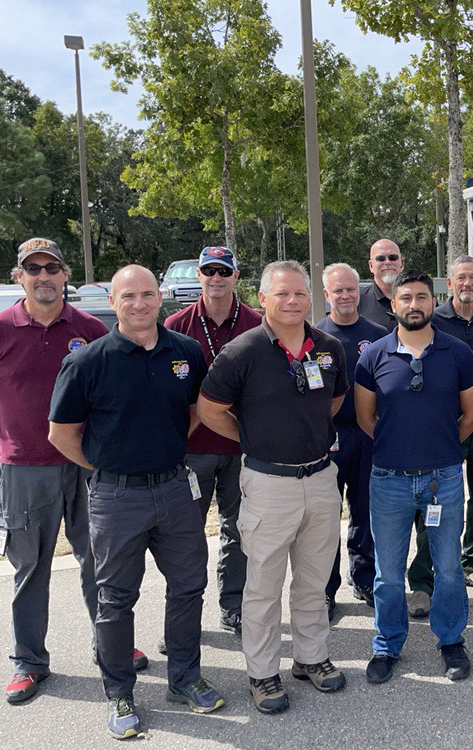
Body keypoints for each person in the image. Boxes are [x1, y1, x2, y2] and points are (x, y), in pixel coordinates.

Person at [48, 265, 223, 740]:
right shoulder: (88, 362)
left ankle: (184, 679)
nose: (140, 304)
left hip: (174, 490)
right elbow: (60, 435)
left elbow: (193, 412)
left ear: (161, 297)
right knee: (116, 598)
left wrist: (161, 451)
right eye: (130, 296)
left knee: (188, 586)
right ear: (115, 301)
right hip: (114, 495)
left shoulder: (185, 352)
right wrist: (109, 465)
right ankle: (120, 690)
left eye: (148, 294)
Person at [0, 238, 147, 705]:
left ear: (65, 273)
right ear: (20, 277)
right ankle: (29, 661)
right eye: (33, 269)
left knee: (99, 561)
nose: (43, 276)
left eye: (51, 267)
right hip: (26, 471)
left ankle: (109, 646)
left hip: (88, 468)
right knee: (29, 568)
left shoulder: (92, 328)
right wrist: (13, 437)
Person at [198, 260, 348, 715]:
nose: (292, 301)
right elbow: (209, 409)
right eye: (282, 294)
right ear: (262, 298)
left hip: (321, 479)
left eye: (300, 293)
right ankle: (263, 672)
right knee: (263, 584)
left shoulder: (329, 348)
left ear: (310, 298)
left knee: (314, 579)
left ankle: (311, 657)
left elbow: (335, 400)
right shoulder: (242, 351)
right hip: (268, 482)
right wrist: (256, 438)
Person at [355, 269, 473, 684]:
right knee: (388, 572)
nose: (414, 304)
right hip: (388, 479)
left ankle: (450, 641)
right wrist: (402, 448)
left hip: (442, 479)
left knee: (447, 567)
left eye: (422, 297)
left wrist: (439, 449)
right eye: (405, 297)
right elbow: (366, 418)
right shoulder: (372, 356)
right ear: (393, 304)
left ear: (433, 301)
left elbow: (472, 414)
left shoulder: (459, 353)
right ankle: (387, 644)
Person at [164, 246, 262, 638]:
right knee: (184, 537)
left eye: (224, 271)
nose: (216, 278)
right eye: (209, 271)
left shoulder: (258, 323)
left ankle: (233, 606)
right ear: (199, 276)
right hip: (193, 449)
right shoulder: (175, 325)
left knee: (239, 531)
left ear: (236, 276)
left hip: (243, 448)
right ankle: (182, 620)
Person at [407, 254, 473, 617]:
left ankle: (472, 563)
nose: (467, 284)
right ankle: (421, 581)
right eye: (460, 278)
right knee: (434, 504)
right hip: (443, 426)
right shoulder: (433, 320)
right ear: (449, 283)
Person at [314, 263, 387, 618]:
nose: (345, 295)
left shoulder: (378, 332)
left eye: (350, 289)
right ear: (326, 295)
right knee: (326, 518)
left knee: (366, 512)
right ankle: (326, 590)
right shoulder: (314, 336)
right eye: (337, 290)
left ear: (359, 291)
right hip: (330, 438)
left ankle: (364, 579)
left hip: (370, 434)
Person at [356, 238, 404, 331]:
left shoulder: (418, 299)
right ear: (371, 266)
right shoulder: (357, 301)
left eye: (393, 257)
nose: (387, 262)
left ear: (402, 263)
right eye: (380, 259)